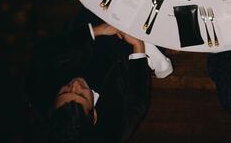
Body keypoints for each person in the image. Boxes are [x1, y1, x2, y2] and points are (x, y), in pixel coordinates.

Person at [28, 9, 151, 143]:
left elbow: (43, 50)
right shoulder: (113, 133)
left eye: (64, 91)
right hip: (123, 54)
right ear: (94, 116)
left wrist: (97, 30)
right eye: (81, 94)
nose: (74, 85)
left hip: (86, 33)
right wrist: (138, 46)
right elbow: (138, 100)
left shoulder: (38, 96)